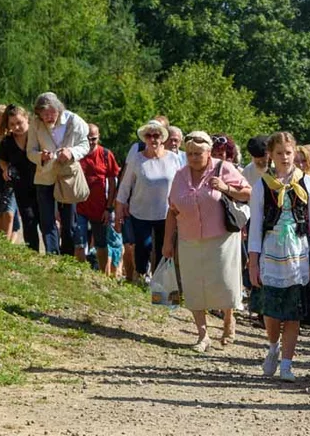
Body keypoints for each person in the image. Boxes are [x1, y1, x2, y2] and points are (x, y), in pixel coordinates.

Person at [247, 132, 310, 382]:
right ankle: (273, 346)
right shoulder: (263, 184)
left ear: (295, 154)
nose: (284, 157)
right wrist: (253, 261)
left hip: (298, 251)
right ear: (270, 154)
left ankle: (287, 364)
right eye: (279, 153)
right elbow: (256, 223)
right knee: (271, 310)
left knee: (293, 312)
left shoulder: (307, 183)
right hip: (271, 250)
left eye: (288, 153)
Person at [163, 131, 251, 352]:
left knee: (224, 283)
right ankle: (202, 335)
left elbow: (248, 193)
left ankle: (229, 320)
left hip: (221, 238)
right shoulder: (180, 175)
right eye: (190, 153)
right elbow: (172, 211)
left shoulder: (223, 168)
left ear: (208, 152)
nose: (193, 157)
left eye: (198, 153)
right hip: (188, 238)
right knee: (194, 288)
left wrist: (225, 188)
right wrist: (167, 243)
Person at [115, 120, 182, 280]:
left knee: (162, 248)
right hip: (140, 211)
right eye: (149, 136)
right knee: (144, 246)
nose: (153, 139)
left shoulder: (173, 159)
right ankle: (141, 274)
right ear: (145, 138)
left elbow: (181, 183)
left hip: (166, 213)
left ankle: (158, 281)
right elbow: (125, 186)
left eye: (156, 135)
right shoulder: (137, 159)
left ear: (162, 138)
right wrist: (119, 209)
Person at [26, 92, 90, 256]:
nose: (48, 116)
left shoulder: (73, 120)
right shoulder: (35, 124)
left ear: (59, 109)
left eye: (51, 112)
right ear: (38, 113)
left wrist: (71, 152)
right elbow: (30, 151)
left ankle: (67, 257)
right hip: (44, 176)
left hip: (67, 175)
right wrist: (40, 156)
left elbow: (85, 144)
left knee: (68, 222)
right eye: (44, 113)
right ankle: (52, 256)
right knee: (47, 220)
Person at [75, 125, 121, 271]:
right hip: (79, 207)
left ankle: (103, 276)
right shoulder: (77, 153)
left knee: (101, 244)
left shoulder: (106, 155)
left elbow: (113, 182)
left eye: (93, 138)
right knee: (79, 243)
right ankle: (81, 276)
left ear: (98, 137)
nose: (90, 142)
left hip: (100, 208)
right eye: (87, 139)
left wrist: (109, 208)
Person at [0, 105, 37, 246]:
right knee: (28, 219)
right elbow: (2, 159)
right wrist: (5, 168)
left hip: (42, 184)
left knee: (45, 220)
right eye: (12, 124)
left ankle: (53, 254)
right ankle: (33, 252)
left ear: (27, 119)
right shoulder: (7, 141)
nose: (17, 127)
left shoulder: (37, 136)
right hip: (21, 185)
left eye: (19, 123)